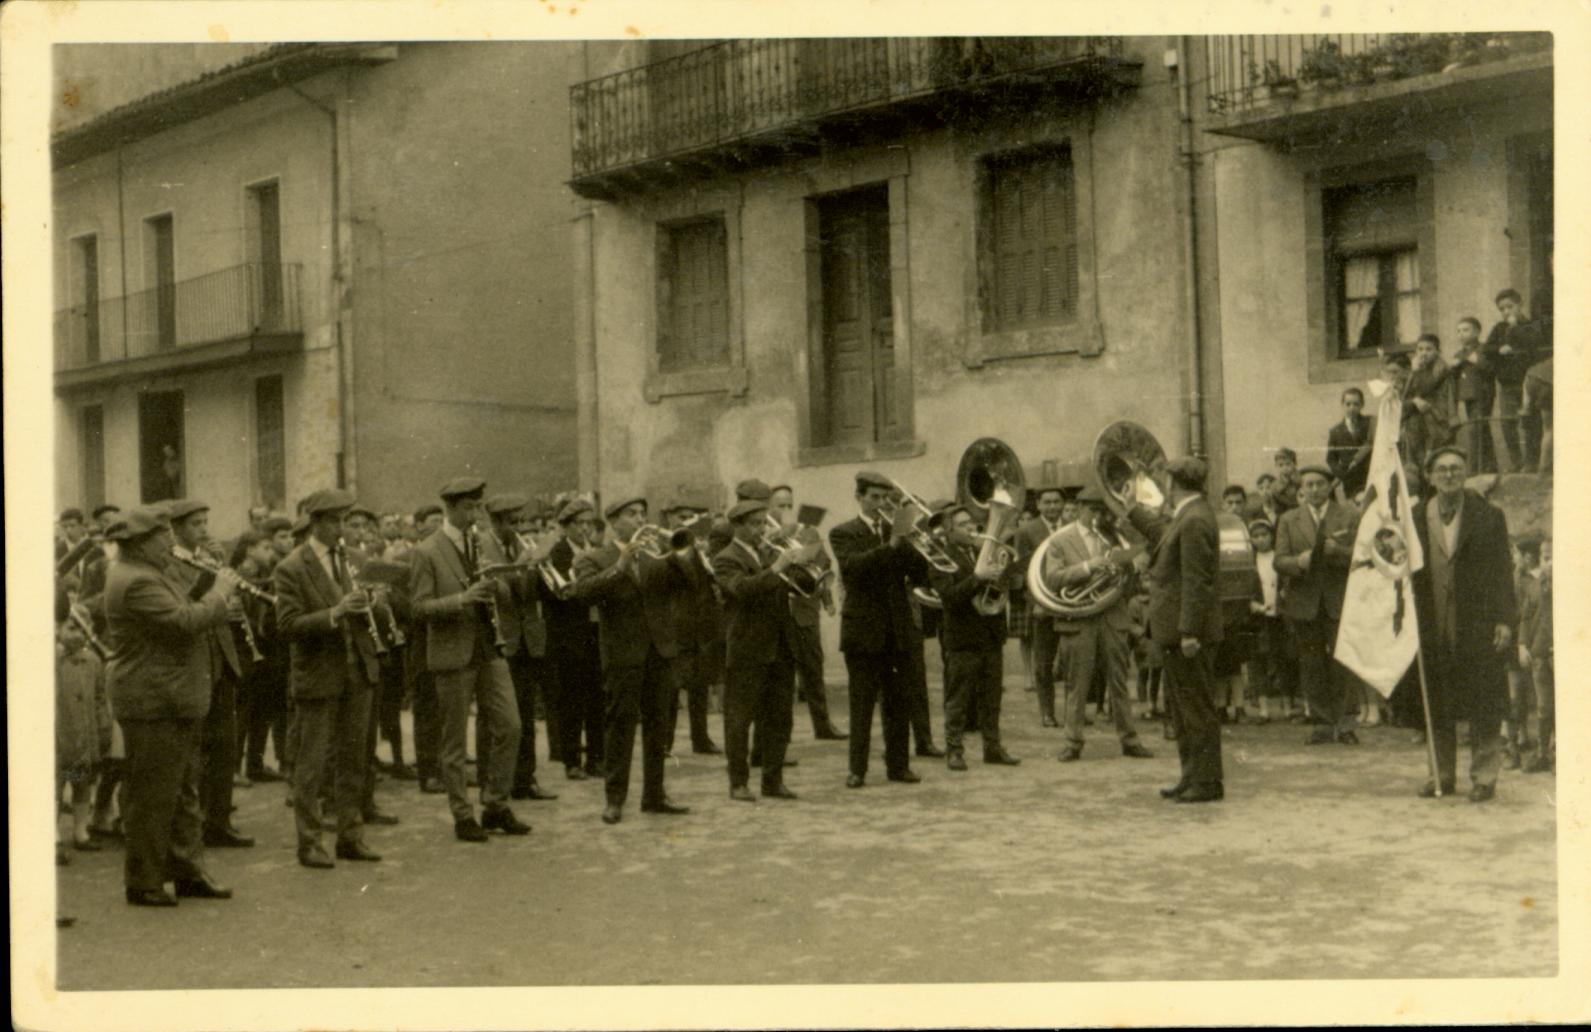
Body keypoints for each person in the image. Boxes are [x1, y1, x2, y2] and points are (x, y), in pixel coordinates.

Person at [102, 507, 241, 906]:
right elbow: (182, 622)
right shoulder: (137, 580)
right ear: (141, 543)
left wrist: (205, 583)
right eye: (162, 535)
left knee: (181, 790)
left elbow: (180, 609)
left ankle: (186, 871)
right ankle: (144, 881)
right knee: (153, 795)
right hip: (154, 700)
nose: (169, 542)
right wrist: (220, 594)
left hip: (169, 697)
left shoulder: (148, 573)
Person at [408, 477, 531, 842]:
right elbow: (417, 608)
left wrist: (501, 584)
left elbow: (503, 595)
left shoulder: (480, 544)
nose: (477, 514)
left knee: (511, 725)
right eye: (470, 508)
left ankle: (495, 803)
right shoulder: (427, 551)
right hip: (453, 652)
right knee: (455, 740)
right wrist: (462, 600)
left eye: (479, 507)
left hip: (489, 647)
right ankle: (462, 814)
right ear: (452, 508)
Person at [272, 489, 386, 867]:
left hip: (358, 669)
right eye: (335, 522)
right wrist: (335, 612)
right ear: (316, 523)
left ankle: (350, 836)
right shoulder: (291, 566)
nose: (342, 529)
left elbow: (373, 611)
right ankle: (309, 842)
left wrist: (373, 602)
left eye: (344, 521)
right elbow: (287, 626)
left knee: (355, 759)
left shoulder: (355, 558)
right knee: (313, 764)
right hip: (319, 674)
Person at [571, 495, 695, 824]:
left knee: (659, 726)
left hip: (659, 650)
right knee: (620, 726)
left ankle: (654, 795)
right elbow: (581, 594)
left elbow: (690, 584)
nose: (641, 519)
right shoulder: (594, 557)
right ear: (613, 521)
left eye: (643, 513)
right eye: (632, 514)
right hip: (623, 653)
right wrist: (620, 567)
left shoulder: (657, 557)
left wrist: (683, 552)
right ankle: (615, 799)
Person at [1410, 446, 1517, 802]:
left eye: (1456, 468)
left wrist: (1504, 619)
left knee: (1483, 700)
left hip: (1478, 622)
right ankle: (1439, 775)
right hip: (1433, 623)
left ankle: (1484, 777)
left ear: (1466, 472)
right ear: (1430, 476)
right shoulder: (1415, 518)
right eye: (1441, 469)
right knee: (1437, 702)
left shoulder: (1489, 516)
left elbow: (1504, 571)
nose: (1449, 475)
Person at [1125, 457, 1224, 803]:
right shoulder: (1190, 514)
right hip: (1176, 632)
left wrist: (1190, 632)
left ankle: (1207, 782)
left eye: (1165, 480)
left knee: (1194, 709)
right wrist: (1132, 510)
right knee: (1182, 710)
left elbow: (1197, 583)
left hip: (1185, 634)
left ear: (1175, 482)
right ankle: (1192, 777)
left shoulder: (1194, 519)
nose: (1162, 486)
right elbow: (1161, 535)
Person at [829, 471, 932, 788]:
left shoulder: (897, 531)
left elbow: (921, 574)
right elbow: (853, 570)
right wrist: (892, 546)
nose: (879, 503)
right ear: (859, 497)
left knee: (898, 703)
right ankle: (857, 769)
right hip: (863, 632)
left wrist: (918, 541)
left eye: (884, 498)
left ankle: (898, 767)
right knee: (861, 705)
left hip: (897, 631)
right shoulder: (842, 532)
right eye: (873, 497)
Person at [1043, 485, 1153, 763]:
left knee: (1119, 680)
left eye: (1103, 510)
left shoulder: (1113, 536)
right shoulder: (1060, 540)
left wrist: (1131, 567)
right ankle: (1072, 741)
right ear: (1079, 508)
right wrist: (1088, 567)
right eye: (1093, 509)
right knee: (1076, 684)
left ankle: (1129, 740)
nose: (1099, 515)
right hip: (1079, 619)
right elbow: (1053, 579)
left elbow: (1130, 578)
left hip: (1112, 616)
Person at [713, 499, 813, 801]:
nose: (761, 530)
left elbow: (802, 587)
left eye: (764, 523)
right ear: (739, 527)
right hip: (747, 647)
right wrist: (778, 567)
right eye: (755, 524)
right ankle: (739, 783)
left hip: (780, 646)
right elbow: (742, 589)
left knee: (780, 717)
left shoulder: (770, 552)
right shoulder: (725, 558)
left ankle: (773, 780)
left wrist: (803, 564)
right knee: (740, 720)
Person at [166, 499, 253, 848]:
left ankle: (219, 819)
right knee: (196, 749)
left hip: (221, 659)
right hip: (195, 664)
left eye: (205, 522)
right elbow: (184, 609)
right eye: (195, 524)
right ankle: (195, 824)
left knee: (224, 746)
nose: (204, 529)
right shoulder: (170, 563)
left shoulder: (210, 557)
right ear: (176, 529)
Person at [475, 493, 558, 801]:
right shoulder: (483, 545)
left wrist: (538, 569)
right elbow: (496, 589)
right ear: (498, 521)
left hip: (526, 639)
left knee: (523, 712)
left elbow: (530, 592)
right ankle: (491, 781)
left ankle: (525, 779)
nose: (519, 527)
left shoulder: (520, 546)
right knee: (494, 718)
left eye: (521, 521)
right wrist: (521, 566)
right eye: (513, 521)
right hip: (500, 639)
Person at [1273, 466, 1360, 746]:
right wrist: (1298, 563)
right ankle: (1322, 723)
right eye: (1308, 485)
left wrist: (1340, 552)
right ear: (1301, 488)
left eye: (1319, 484)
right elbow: (1278, 560)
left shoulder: (1348, 514)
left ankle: (1346, 723)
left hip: (1338, 600)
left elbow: (1363, 556)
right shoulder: (1289, 519)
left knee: (1343, 662)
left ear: (1329, 486)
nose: (1314, 490)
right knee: (1311, 664)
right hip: (1304, 602)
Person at [930, 504, 1020, 771]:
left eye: (971, 523)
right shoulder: (940, 558)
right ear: (948, 531)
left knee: (992, 698)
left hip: (991, 635)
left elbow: (1001, 588)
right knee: (958, 698)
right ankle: (954, 750)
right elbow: (949, 597)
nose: (971, 528)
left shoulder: (984, 551)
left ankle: (992, 748)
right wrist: (978, 578)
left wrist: (1006, 576)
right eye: (963, 525)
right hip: (962, 637)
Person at [769, 484, 845, 740]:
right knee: (783, 678)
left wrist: (827, 599)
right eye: (781, 505)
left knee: (813, 669)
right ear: (770, 508)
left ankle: (823, 725)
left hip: (805, 610)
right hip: (780, 612)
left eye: (790, 504)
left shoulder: (808, 531)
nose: (787, 510)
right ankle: (782, 733)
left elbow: (824, 564)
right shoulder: (767, 535)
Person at [543, 499, 605, 780]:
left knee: (597, 697)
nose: (585, 529)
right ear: (566, 527)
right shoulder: (557, 555)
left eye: (588, 524)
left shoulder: (597, 552)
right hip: (569, 636)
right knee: (571, 700)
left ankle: (597, 758)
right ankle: (571, 761)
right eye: (579, 524)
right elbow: (554, 595)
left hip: (596, 631)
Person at [662, 501, 723, 756]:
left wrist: (705, 557)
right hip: (675, 627)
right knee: (671, 689)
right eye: (681, 517)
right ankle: (665, 743)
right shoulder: (662, 550)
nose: (685, 521)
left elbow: (710, 582)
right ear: (669, 520)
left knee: (699, 685)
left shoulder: (699, 551)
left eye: (690, 517)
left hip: (699, 626)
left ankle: (701, 738)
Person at [1013, 486, 1068, 727]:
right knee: (1043, 663)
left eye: (1057, 502)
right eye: (1047, 502)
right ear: (1038, 504)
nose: (1052, 507)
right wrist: (1036, 602)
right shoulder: (1026, 531)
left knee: (1072, 662)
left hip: (1069, 603)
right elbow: (1023, 571)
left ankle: (1074, 711)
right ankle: (1047, 712)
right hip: (1042, 606)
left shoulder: (1071, 527)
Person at [57, 611, 110, 852]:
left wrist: (103, 725)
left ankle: (81, 830)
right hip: (60, 735)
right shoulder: (53, 661)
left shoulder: (94, 662)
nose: (76, 634)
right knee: (56, 783)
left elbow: (100, 697)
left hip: (84, 736)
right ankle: (53, 833)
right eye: (70, 628)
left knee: (82, 782)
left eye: (81, 628)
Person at [1483, 289, 1544, 472]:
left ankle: (1532, 462)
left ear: (1520, 305)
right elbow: (1487, 349)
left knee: (1531, 422)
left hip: (1528, 383)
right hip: (1507, 385)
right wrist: (1500, 348)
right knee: (1508, 423)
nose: (1506, 311)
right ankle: (1516, 462)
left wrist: (1515, 329)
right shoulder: (1499, 328)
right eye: (1502, 309)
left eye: (1510, 306)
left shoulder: (1531, 325)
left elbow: (1533, 345)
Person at [1243, 519, 1294, 724]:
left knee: (1283, 660)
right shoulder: (1249, 561)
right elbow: (1244, 589)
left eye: (1264, 535)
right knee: (1258, 662)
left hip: (1279, 617)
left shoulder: (1279, 558)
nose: (1261, 540)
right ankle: (1263, 710)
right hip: (1259, 618)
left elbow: (1287, 582)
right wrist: (1252, 605)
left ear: (1272, 536)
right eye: (1256, 536)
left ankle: (1288, 707)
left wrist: (1283, 597)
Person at [1519, 537, 1553, 773]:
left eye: (1551, 557)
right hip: (1540, 654)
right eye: (1544, 558)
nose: (1548, 563)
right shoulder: (1533, 586)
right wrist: (1522, 644)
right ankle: (1542, 754)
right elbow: (1526, 617)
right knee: (1543, 706)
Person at [1403, 333, 1454, 476]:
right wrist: (1414, 401)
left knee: (1433, 459)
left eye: (1428, 349)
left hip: (1437, 418)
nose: (1423, 353)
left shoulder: (1441, 368)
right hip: (1420, 419)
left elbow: (1426, 388)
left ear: (1437, 351)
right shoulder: (1419, 368)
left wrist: (1415, 372)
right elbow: (1406, 395)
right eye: (1420, 349)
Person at [1452, 316, 1498, 474]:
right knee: (1480, 430)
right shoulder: (1459, 354)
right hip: (1468, 396)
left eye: (1466, 330)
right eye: (1458, 331)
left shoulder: (1484, 349)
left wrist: (1476, 361)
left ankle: (1475, 469)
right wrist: (1454, 367)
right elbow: (1452, 377)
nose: (1461, 334)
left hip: (1483, 394)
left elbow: (1492, 370)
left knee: (1476, 430)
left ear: (1477, 332)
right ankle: (1489, 467)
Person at [1326, 387, 1375, 500]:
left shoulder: (1370, 424)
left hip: (1371, 476)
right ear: (1342, 405)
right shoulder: (1335, 431)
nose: (1352, 408)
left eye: (1356, 404)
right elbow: (1331, 459)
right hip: (1351, 482)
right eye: (1348, 404)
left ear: (1362, 405)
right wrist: (1342, 474)